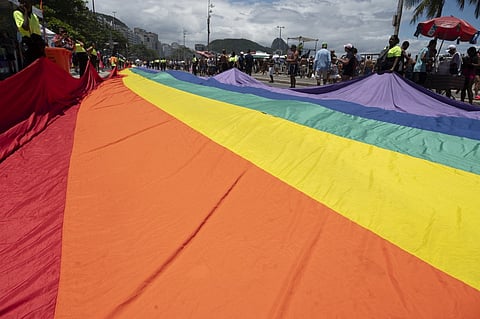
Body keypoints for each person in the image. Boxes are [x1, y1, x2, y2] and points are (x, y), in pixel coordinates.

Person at [13, 0, 45, 68]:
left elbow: (37, 32)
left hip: (37, 42)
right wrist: (25, 13)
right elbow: (25, 27)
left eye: (25, 1)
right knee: (30, 65)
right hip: (28, 41)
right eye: (21, 2)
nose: (23, 4)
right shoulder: (17, 13)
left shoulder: (34, 16)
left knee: (41, 65)